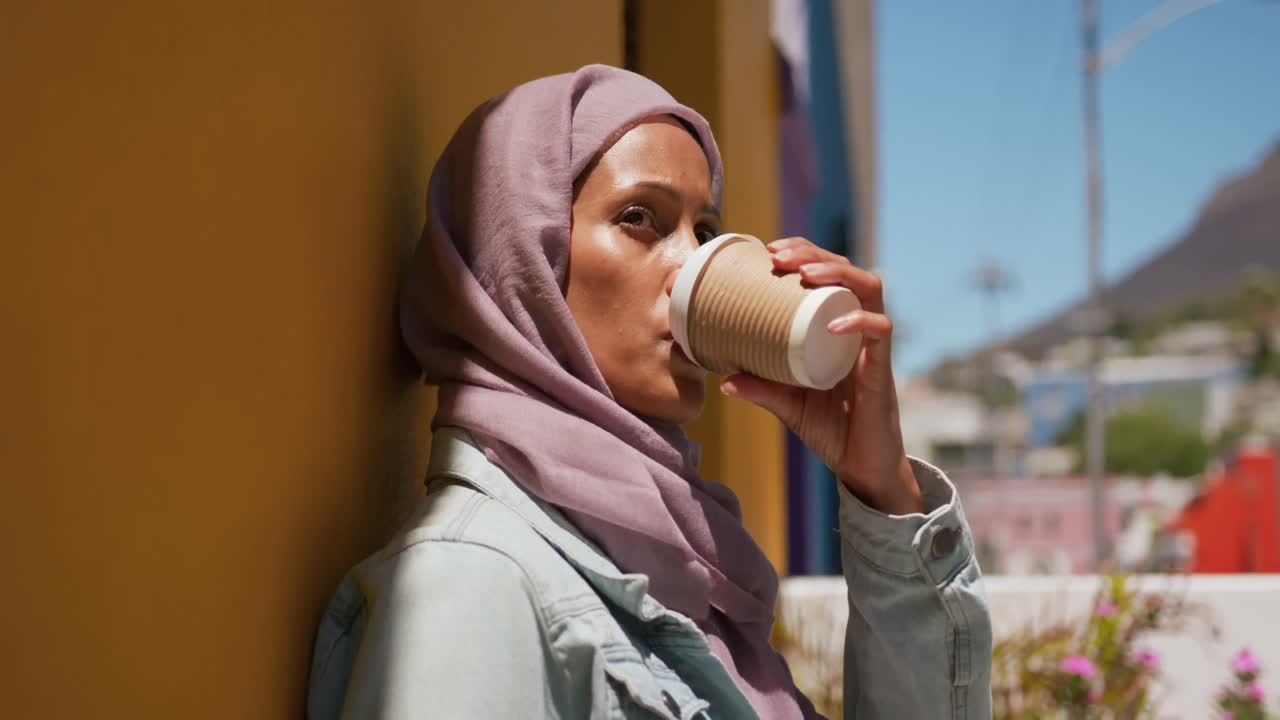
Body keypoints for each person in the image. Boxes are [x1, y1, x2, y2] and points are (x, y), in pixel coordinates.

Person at [307, 64, 991, 719]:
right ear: (524, 261)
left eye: (707, 231)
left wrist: (886, 490)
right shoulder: (470, 589)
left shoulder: (681, 574)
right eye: (641, 218)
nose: (693, 263)